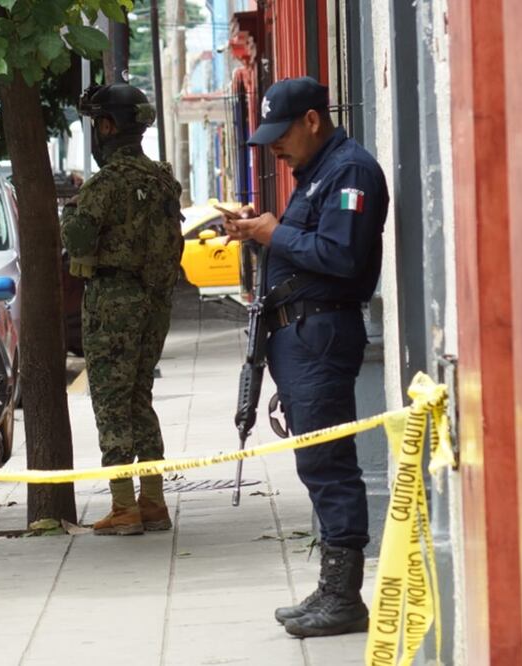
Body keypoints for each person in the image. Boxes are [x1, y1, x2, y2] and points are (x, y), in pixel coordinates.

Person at [222, 77, 389, 638]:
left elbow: (341, 257)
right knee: (315, 463)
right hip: (300, 336)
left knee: (329, 463)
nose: (273, 146)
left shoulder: (351, 171)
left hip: (322, 335)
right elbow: (305, 245)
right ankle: (331, 588)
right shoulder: (317, 172)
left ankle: (344, 597)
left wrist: (274, 234)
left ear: (314, 120)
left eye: (282, 133)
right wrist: (257, 230)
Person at [60, 83, 184, 536]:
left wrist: (70, 214)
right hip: (155, 301)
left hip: (113, 300)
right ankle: (152, 500)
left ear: (108, 126)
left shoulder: (105, 184)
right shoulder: (162, 179)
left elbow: (77, 241)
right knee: (140, 397)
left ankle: (123, 506)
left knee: (111, 403)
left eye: (98, 123)